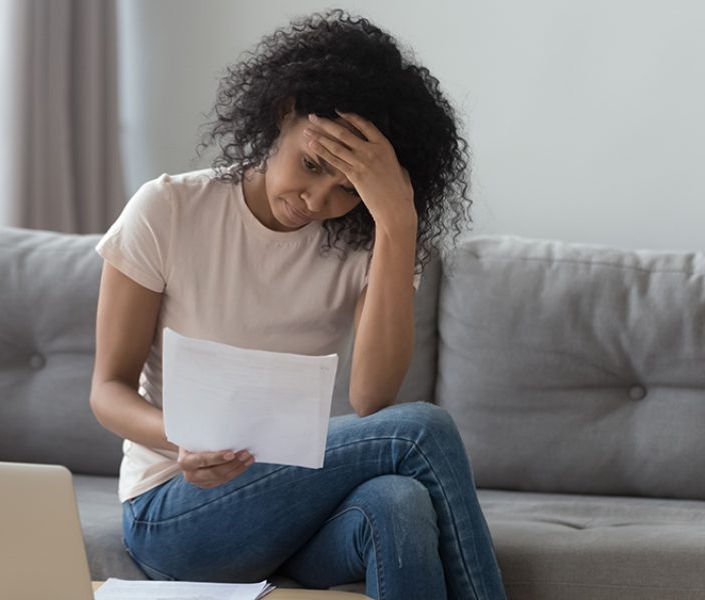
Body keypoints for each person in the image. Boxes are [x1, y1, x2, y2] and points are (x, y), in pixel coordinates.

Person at [89, 8, 507, 600]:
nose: (316, 199)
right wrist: (181, 439)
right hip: (175, 506)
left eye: (348, 189)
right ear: (283, 114)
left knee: (399, 501)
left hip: (294, 508)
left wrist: (396, 221)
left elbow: (371, 396)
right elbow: (106, 390)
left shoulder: (372, 241)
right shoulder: (169, 210)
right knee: (424, 431)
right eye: (311, 165)